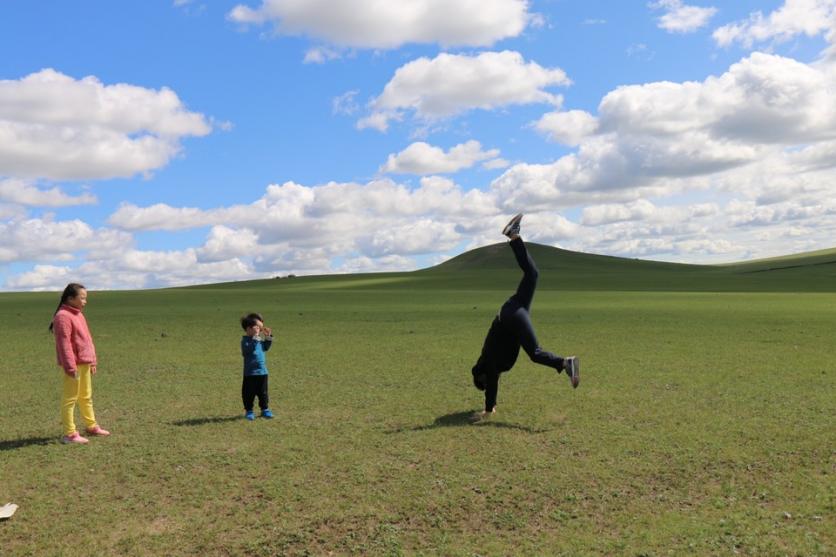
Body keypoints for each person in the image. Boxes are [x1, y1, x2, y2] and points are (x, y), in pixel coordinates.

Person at [471, 214, 579, 420]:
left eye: (485, 383)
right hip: (513, 307)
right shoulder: (488, 356)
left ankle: (566, 363)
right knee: (532, 274)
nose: (491, 382)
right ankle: (513, 235)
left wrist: (487, 409)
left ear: (482, 377)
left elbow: (492, 381)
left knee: (536, 353)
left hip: (512, 315)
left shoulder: (489, 363)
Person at [49, 283, 110, 444]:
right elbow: (64, 344)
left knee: (86, 396)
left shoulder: (78, 314)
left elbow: (87, 339)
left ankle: (91, 426)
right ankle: (70, 434)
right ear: (70, 298)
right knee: (70, 399)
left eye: (85, 298)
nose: (85, 301)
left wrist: (92, 361)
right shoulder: (63, 316)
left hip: (84, 363)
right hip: (74, 366)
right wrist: (70, 367)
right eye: (82, 298)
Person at [240, 312, 274, 420]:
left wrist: (268, 337)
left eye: (260, 328)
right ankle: (249, 411)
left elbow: (265, 347)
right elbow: (247, 351)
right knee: (249, 393)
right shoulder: (245, 341)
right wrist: (255, 339)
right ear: (248, 329)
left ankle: (265, 409)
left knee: (263, 393)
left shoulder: (258, 340)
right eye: (257, 328)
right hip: (250, 373)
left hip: (262, 372)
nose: (259, 330)